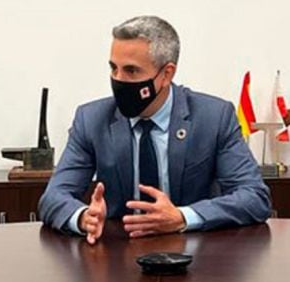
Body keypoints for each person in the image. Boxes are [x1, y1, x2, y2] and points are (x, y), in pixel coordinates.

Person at [39, 15, 271, 243]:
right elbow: (53, 197)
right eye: (113, 68)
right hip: (117, 255)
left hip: (197, 257)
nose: (118, 80)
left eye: (131, 71)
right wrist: (82, 218)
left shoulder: (213, 117)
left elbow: (254, 197)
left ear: (166, 74)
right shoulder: (91, 119)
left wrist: (182, 217)